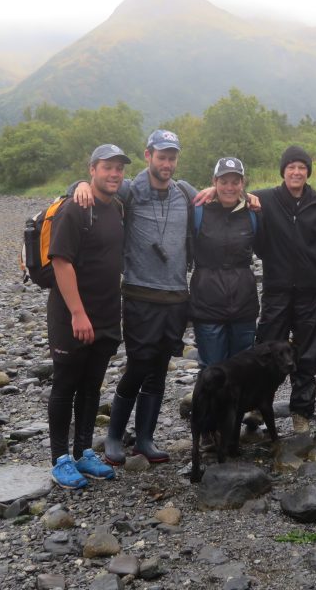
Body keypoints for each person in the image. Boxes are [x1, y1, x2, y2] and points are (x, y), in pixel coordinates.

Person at [72, 129, 197, 465]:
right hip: (141, 296)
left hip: (176, 298)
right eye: (161, 157)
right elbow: (95, 187)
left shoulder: (184, 192)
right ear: (148, 156)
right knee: (138, 365)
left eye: (172, 157)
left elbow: (217, 202)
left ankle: (145, 439)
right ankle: (114, 436)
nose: (167, 163)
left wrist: (247, 197)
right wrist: (79, 186)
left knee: (159, 369)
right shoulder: (129, 190)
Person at [46, 143, 130, 488]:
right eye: (107, 167)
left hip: (108, 313)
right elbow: (61, 261)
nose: (113, 174)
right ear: (92, 169)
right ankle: (59, 458)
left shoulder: (117, 208)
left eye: (119, 169)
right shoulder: (74, 209)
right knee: (66, 385)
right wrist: (78, 313)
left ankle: (82, 451)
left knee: (92, 386)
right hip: (72, 315)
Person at [251, 145, 316, 434]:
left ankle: (301, 411)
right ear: (283, 171)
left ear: (307, 172)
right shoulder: (265, 199)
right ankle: (257, 406)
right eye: (291, 167)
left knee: (308, 355)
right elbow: (233, 194)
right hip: (277, 290)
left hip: (311, 292)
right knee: (267, 351)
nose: (296, 172)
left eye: (302, 167)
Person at [190, 156, 260, 368]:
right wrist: (83, 183)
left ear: (242, 183)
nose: (229, 187)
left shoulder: (252, 212)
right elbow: (174, 186)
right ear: (214, 181)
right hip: (208, 305)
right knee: (212, 372)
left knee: (243, 370)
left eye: (235, 182)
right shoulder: (198, 210)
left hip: (244, 304)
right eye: (223, 182)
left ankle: (240, 404)